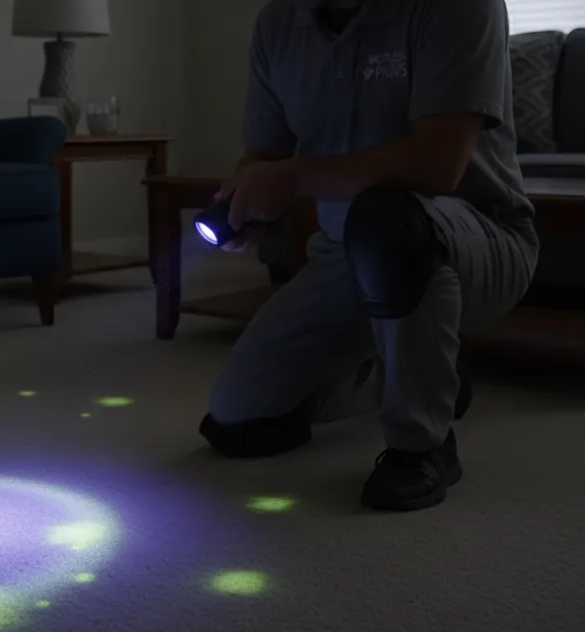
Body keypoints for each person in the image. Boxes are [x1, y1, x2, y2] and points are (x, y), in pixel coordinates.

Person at [200, 0, 538, 511]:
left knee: (388, 223)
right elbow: (266, 150)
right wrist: (247, 191)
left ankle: (422, 444)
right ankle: (420, 370)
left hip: (473, 236)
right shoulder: (278, 23)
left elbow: (437, 165)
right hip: (344, 254)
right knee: (238, 419)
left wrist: (291, 179)